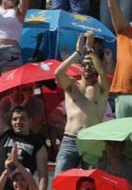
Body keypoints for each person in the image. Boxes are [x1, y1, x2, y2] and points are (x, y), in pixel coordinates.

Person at [53, 30, 109, 172]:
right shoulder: (72, 85)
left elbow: (102, 73)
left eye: (91, 64)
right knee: (60, 180)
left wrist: (90, 51)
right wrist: (78, 53)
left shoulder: (101, 88)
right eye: (84, 64)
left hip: (92, 141)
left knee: (91, 182)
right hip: (69, 139)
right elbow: (58, 73)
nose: (87, 67)